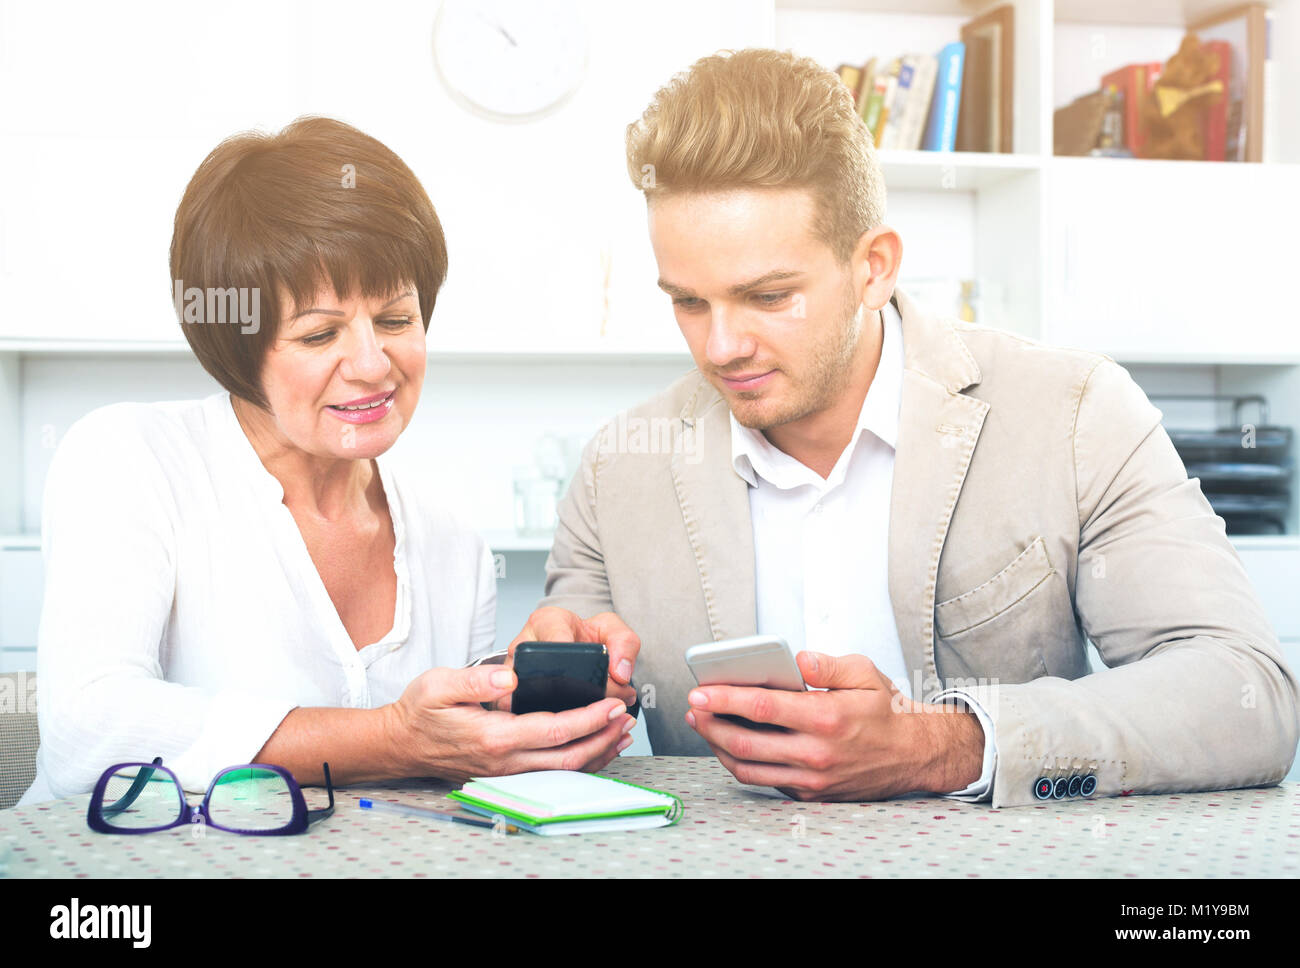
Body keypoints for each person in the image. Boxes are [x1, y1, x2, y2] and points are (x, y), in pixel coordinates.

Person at [537, 49, 1300, 807]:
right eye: (689, 302)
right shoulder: (616, 472)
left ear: (874, 267)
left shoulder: (1074, 415)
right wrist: (551, 692)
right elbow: (558, 722)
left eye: (769, 297)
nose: (720, 347)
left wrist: (947, 745)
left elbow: (1246, 694)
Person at [19, 117, 635, 805]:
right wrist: (388, 736)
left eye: (397, 320)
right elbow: (90, 729)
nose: (374, 365)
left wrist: (522, 703)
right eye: (319, 333)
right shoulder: (129, 460)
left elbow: (444, 764)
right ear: (234, 344)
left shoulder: (452, 544)